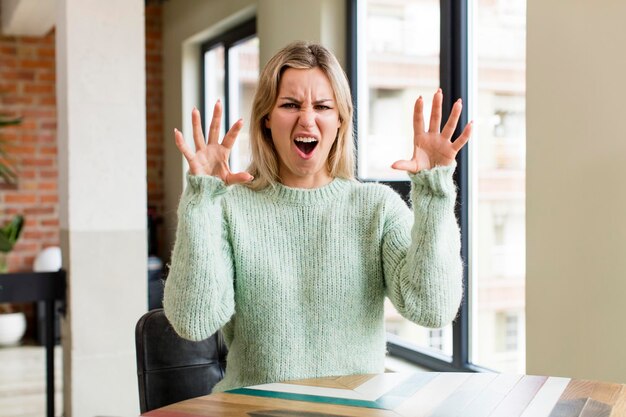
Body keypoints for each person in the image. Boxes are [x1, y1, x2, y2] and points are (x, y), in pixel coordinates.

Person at [163, 41, 472, 392]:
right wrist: (201, 200)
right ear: (266, 119)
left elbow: (433, 309)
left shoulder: (377, 207)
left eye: (323, 106)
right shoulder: (231, 208)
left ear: (340, 120)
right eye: (290, 105)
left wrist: (434, 191)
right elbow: (194, 321)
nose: (306, 118)